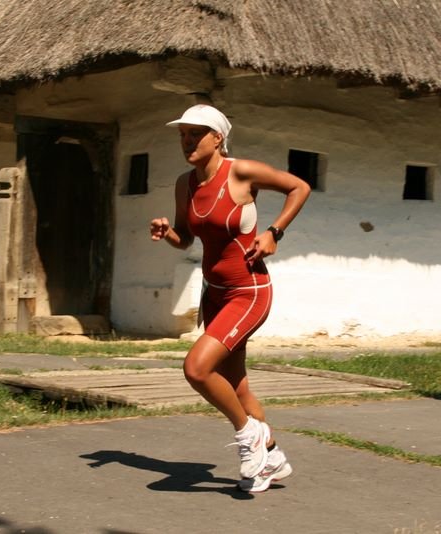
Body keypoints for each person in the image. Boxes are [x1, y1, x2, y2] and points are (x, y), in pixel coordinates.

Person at [150, 104, 311, 491]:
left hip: (249, 292)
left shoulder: (240, 172)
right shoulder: (183, 184)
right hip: (215, 294)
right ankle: (271, 457)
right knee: (236, 386)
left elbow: (299, 187)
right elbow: (187, 239)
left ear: (217, 138)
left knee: (197, 369)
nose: (187, 141)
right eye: (183, 135)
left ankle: (248, 435)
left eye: (195, 134)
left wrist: (274, 231)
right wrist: (168, 232)